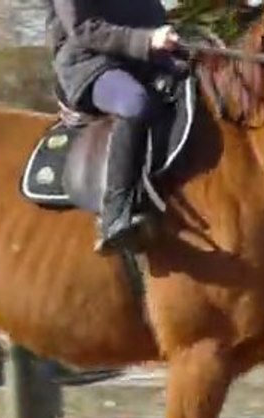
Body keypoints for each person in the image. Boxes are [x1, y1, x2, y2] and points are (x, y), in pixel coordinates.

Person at [45, 0, 182, 254]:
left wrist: (171, 42)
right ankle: (115, 215)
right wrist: (147, 40)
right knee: (134, 103)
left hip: (142, 58)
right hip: (89, 63)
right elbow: (84, 29)